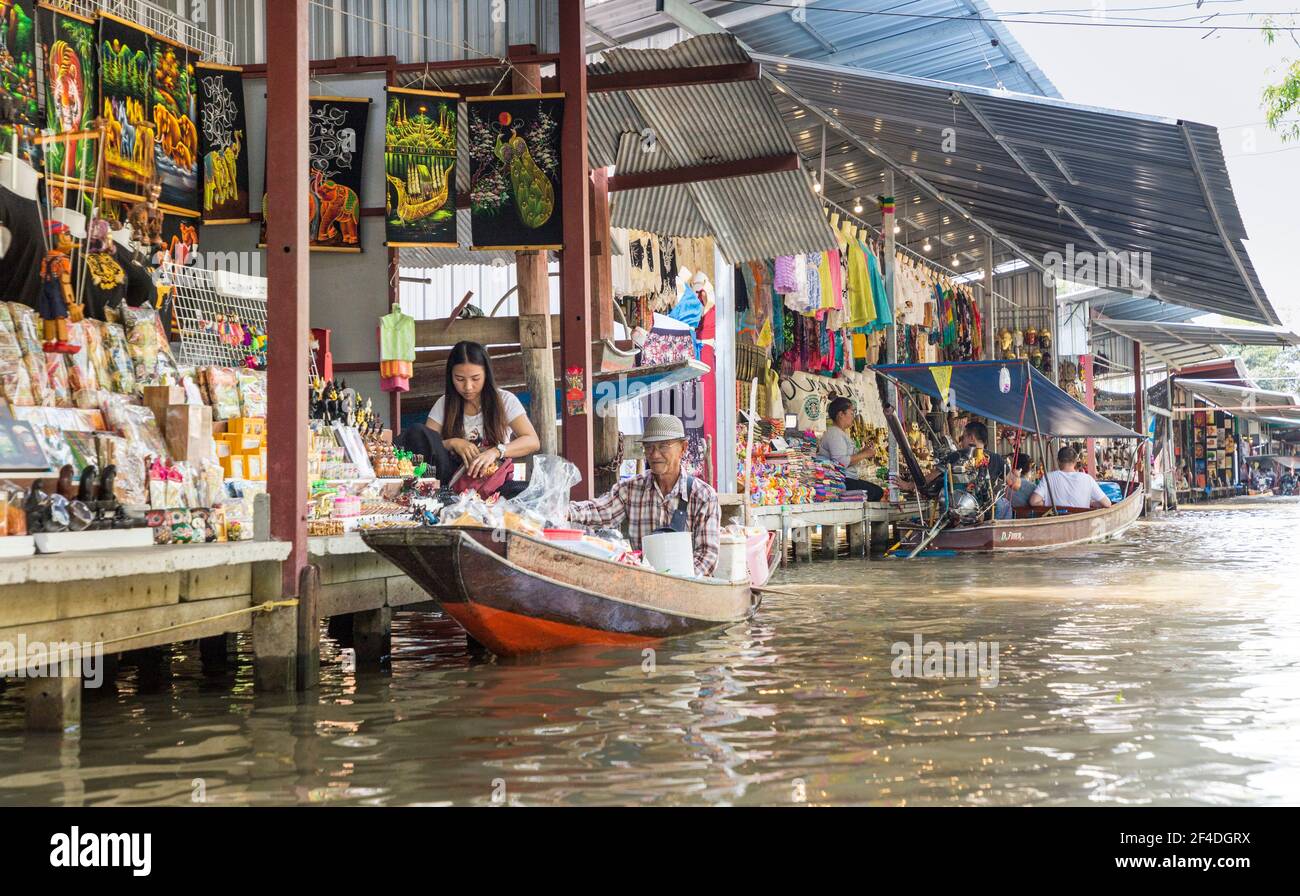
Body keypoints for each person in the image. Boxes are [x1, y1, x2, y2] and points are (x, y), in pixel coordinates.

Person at [568, 414, 720, 577]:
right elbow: (599, 510)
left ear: (683, 448)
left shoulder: (703, 496)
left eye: (663, 446)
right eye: (649, 447)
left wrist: (677, 583)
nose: (654, 455)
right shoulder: (632, 489)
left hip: (687, 590)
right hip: (644, 585)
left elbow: (707, 556)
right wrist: (566, 510)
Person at [408, 340, 540, 495]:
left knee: (534, 492)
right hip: (451, 484)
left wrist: (496, 452)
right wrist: (453, 443)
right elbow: (425, 443)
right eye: (460, 379)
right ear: (450, 376)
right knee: (416, 431)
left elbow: (532, 441)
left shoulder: (505, 400)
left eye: (475, 378)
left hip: (493, 483)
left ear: (486, 375)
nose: (468, 387)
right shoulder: (444, 403)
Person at [818, 396, 885, 500]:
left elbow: (848, 457)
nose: (853, 417)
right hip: (840, 481)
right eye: (851, 413)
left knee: (877, 491)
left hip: (848, 479)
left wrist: (863, 452)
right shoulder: (834, 434)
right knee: (875, 492)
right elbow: (841, 462)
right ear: (841, 414)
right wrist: (865, 454)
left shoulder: (840, 433)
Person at [1030, 445, 1111, 510]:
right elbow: (1107, 504)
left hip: (1056, 522)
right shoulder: (1087, 478)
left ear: (1058, 461)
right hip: (1081, 523)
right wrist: (1090, 503)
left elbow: (1034, 502)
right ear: (1075, 461)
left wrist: (1047, 503)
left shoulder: (1048, 477)